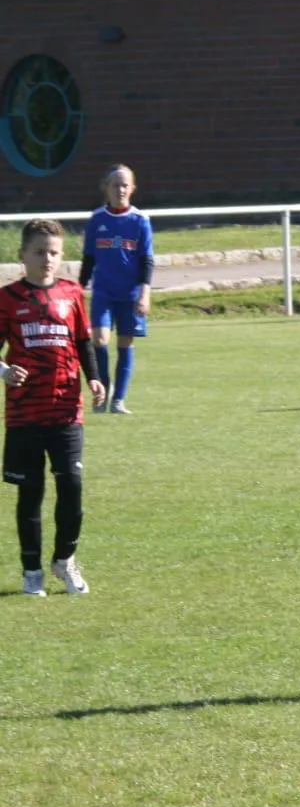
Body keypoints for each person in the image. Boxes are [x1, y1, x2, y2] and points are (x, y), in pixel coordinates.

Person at [0, 220, 106, 596]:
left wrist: (94, 378)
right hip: (25, 413)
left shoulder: (71, 293)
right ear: (22, 255)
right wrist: (4, 371)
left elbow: (83, 342)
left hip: (66, 409)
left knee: (72, 488)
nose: (47, 259)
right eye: (40, 252)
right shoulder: (8, 298)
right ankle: (32, 571)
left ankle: (65, 560)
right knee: (31, 493)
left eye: (54, 253)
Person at [80, 164, 154, 415]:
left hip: (130, 294)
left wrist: (144, 294)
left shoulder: (140, 221)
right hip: (103, 292)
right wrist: (78, 288)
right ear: (106, 188)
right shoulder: (97, 219)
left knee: (125, 341)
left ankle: (119, 400)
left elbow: (146, 260)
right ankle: (104, 391)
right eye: (115, 185)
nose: (120, 189)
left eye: (125, 185)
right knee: (100, 339)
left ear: (132, 188)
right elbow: (89, 258)